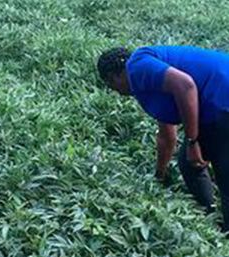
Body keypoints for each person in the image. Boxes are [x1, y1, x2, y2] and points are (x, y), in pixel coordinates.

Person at [97, 45, 229, 232]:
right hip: (217, 104)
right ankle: (211, 216)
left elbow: (186, 85)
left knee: (224, 173)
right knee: (189, 163)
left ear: (114, 76)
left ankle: (223, 238)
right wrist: (160, 174)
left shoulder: (137, 66)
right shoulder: (148, 79)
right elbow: (167, 136)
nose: (116, 92)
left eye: (111, 85)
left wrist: (193, 141)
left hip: (221, 100)